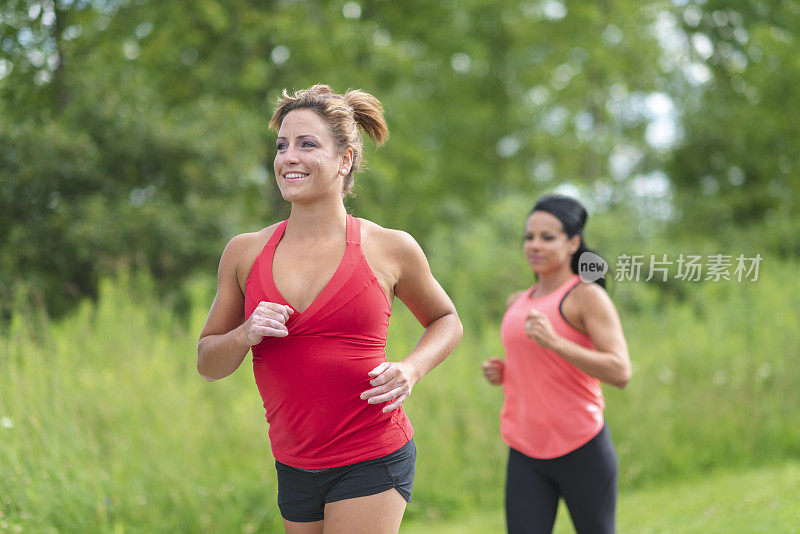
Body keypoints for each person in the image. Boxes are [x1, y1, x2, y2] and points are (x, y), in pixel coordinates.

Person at [197, 84, 462, 534]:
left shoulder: (389, 248)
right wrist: (245, 333)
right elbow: (208, 362)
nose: (288, 157)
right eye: (282, 145)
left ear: (345, 160)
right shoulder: (244, 253)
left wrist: (412, 369)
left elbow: (446, 320)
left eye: (307, 144)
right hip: (294, 463)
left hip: (372, 452)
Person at [482, 195, 631, 534]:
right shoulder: (516, 301)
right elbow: (538, 364)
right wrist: (504, 371)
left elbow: (621, 371)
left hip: (582, 446)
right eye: (529, 237)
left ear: (573, 243)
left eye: (547, 237)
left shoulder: (586, 296)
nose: (535, 245)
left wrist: (555, 342)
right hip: (525, 449)